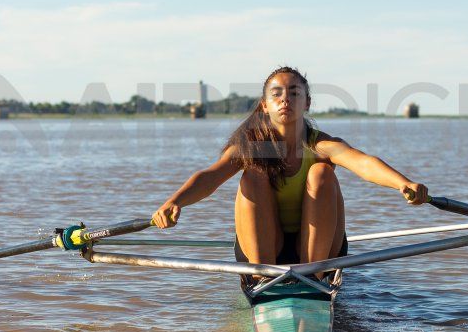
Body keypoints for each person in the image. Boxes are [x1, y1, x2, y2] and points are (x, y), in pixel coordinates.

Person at [151, 66, 429, 266]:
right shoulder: (251, 148)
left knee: (322, 172)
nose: (286, 99)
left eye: (294, 93)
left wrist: (403, 184)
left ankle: (314, 277)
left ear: (306, 103)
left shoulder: (321, 145)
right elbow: (210, 177)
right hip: (266, 248)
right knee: (254, 174)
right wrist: (174, 203)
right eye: (277, 94)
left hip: (318, 251)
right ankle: (264, 278)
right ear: (265, 106)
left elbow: (363, 163)